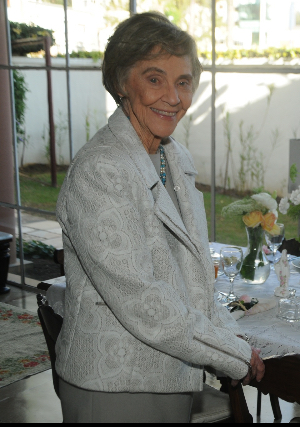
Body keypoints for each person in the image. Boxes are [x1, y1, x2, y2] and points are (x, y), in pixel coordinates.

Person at [55, 12, 264, 423]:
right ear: (121, 82)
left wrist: (227, 335)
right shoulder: (101, 169)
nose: (173, 96)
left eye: (183, 82)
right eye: (154, 79)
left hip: (173, 375)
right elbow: (141, 297)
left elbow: (194, 277)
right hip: (115, 385)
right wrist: (233, 354)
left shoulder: (173, 157)